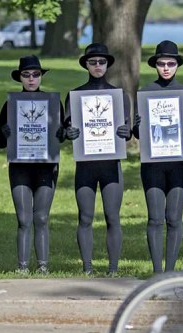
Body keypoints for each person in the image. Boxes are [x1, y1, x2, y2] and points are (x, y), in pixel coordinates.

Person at [62, 43, 131, 275]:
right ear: (86, 65)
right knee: (86, 217)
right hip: (85, 166)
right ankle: (88, 268)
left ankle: (113, 268)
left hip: (111, 166)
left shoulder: (120, 96)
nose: (98, 66)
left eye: (102, 62)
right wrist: (68, 132)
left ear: (108, 65)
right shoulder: (75, 96)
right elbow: (65, 130)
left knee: (112, 216)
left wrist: (126, 131)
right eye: (93, 62)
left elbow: (128, 129)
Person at [132, 40, 183, 273]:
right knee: (155, 218)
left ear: (177, 65)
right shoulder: (146, 93)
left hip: (180, 163)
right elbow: (138, 132)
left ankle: (170, 271)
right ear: (155, 65)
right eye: (162, 63)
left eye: (171, 63)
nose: (167, 68)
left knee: (174, 218)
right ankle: (157, 272)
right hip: (153, 163)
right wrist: (136, 127)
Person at [0, 55, 64, 274]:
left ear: (41, 76)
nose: (31, 79)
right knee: (24, 219)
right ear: (20, 78)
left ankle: (43, 266)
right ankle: (22, 266)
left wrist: (62, 133)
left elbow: (60, 136)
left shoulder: (53, 103)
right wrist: (6, 133)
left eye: (35, 74)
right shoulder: (11, 104)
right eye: (26, 75)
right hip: (20, 167)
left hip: (46, 166)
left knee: (41, 217)